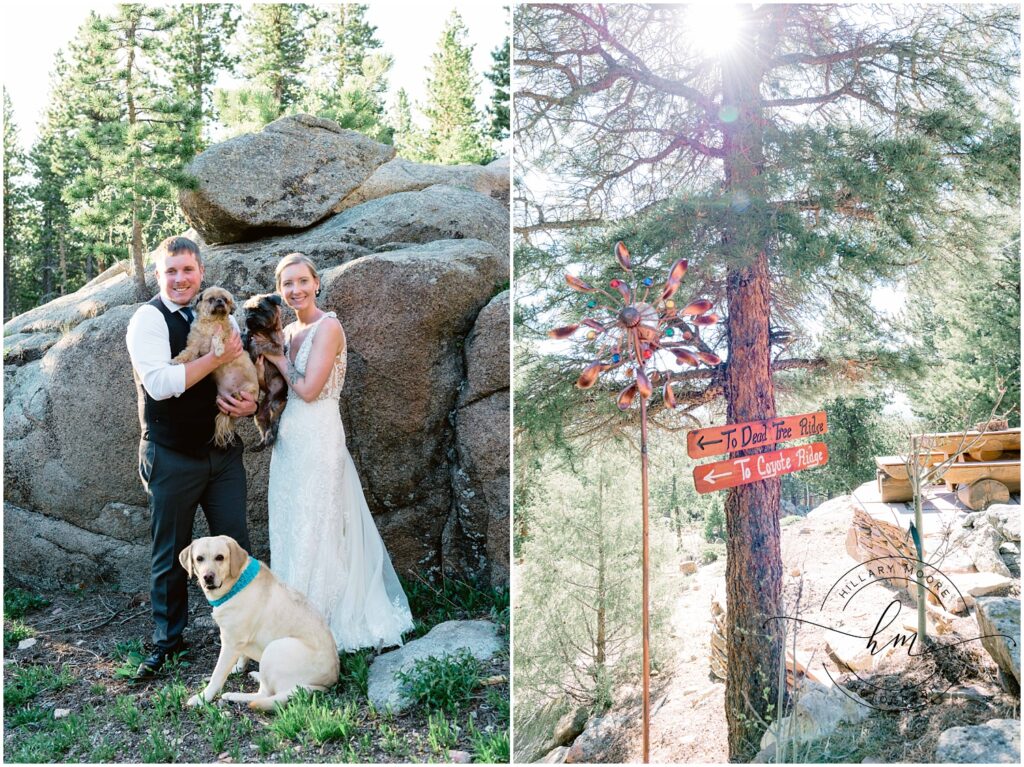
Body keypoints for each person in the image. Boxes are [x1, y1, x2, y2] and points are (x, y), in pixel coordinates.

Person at [261, 252, 413, 651]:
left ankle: (321, 619)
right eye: (286, 284)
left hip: (320, 433)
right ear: (280, 292)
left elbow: (309, 390)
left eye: (301, 281)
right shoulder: (289, 332)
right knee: (291, 523)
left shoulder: (329, 328)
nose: (295, 290)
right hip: (289, 440)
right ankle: (290, 618)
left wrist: (274, 355)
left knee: (320, 523)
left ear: (316, 283)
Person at [126, 236, 258, 677]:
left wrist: (250, 406)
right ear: (160, 274)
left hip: (222, 454)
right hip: (171, 454)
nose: (180, 278)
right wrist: (216, 353)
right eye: (171, 271)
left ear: (201, 273)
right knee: (170, 553)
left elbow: (239, 373)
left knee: (236, 545)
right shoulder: (148, 319)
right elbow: (161, 384)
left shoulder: (218, 313)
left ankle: (247, 636)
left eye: (188, 270)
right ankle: (169, 642)